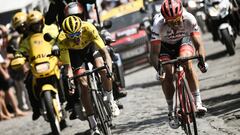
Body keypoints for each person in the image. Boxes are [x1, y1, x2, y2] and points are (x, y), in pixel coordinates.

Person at [150, 0, 208, 129]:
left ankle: (198, 102)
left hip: (183, 41)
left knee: (187, 62)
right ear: (164, 19)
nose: (174, 24)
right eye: (170, 22)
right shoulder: (157, 25)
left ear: (182, 14)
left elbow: (199, 45)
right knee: (168, 73)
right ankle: (171, 110)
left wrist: (202, 61)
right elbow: (153, 54)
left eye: (176, 20)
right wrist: (159, 70)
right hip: (164, 47)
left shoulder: (190, 19)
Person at [58, 15, 120, 134]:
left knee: (102, 68)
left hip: (90, 48)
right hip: (75, 55)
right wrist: (70, 82)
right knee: (83, 85)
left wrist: (109, 71)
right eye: (71, 36)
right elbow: (68, 68)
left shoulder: (89, 28)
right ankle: (92, 123)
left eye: (78, 34)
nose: (76, 38)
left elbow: (105, 53)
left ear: (82, 29)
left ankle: (111, 100)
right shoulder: (62, 40)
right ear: (66, 35)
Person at [15, 10, 59, 121]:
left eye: (24, 26)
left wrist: (58, 49)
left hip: (51, 61)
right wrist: (20, 59)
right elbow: (20, 52)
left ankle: (73, 101)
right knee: (29, 81)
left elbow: (56, 40)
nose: (23, 29)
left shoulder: (48, 31)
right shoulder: (24, 40)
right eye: (20, 28)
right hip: (35, 65)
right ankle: (36, 108)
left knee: (65, 74)